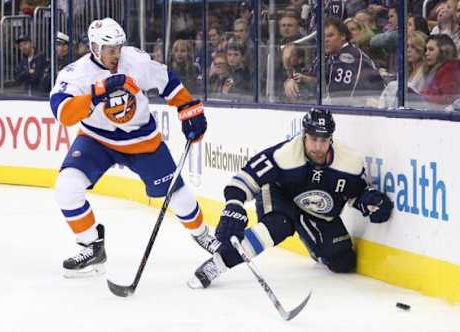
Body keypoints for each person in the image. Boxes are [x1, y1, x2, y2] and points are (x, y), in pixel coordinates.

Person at [49, 17, 219, 278]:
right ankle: (91, 245)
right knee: (67, 187)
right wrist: (97, 93)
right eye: (109, 49)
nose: (116, 54)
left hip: (141, 140)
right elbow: (63, 113)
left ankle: (202, 234)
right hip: (97, 140)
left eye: (119, 47)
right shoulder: (77, 73)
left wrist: (188, 108)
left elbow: (167, 81)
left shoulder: (135, 61)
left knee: (180, 197)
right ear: (94, 47)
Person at [188, 108, 394, 289]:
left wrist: (370, 202)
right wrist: (234, 204)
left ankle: (308, 234)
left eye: (324, 140)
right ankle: (216, 265)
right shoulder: (283, 155)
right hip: (280, 197)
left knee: (343, 262)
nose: (318, 147)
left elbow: (356, 194)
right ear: (304, 135)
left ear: (331, 139)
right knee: (279, 225)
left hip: (315, 210)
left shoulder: (350, 161)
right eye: (313, 138)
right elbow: (243, 180)